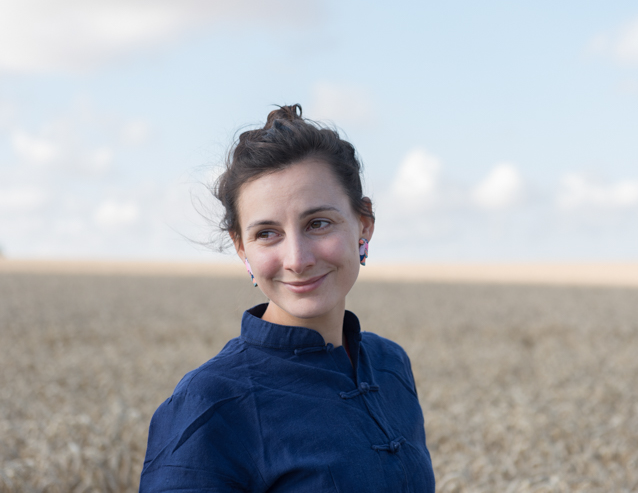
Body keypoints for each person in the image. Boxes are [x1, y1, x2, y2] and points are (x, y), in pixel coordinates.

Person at [139, 105, 435, 492]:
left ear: (364, 225)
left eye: (318, 224)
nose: (297, 259)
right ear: (241, 248)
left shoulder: (389, 364)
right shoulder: (209, 402)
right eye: (267, 233)